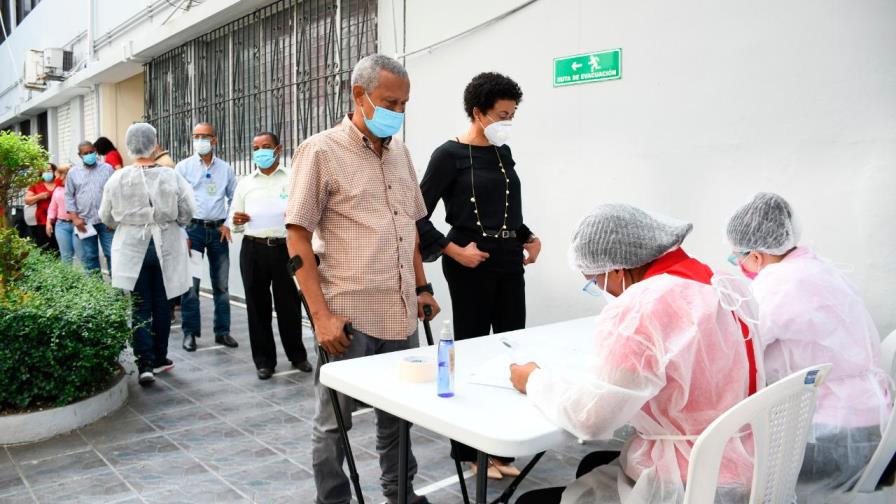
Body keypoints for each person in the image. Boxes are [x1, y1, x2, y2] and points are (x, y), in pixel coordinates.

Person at [512, 204, 754, 504]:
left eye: (594, 281)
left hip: (689, 482)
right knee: (594, 464)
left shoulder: (643, 306)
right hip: (741, 460)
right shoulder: (720, 282)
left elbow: (591, 419)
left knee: (530, 501)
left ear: (616, 268)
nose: (601, 291)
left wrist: (533, 380)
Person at [286, 53, 439, 504]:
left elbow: (407, 225)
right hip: (348, 317)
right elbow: (297, 237)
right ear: (360, 95)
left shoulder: (401, 154)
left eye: (404, 103)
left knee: (399, 416)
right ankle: (332, 500)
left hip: (400, 313)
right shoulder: (321, 151)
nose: (399, 111)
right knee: (334, 422)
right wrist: (320, 317)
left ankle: (400, 494)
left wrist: (422, 286)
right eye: (391, 101)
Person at [726, 192, 890, 499]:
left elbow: (743, 349)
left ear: (756, 256)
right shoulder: (819, 268)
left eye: (737, 258)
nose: (739, 266)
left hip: (829, 436)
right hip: (870, 423)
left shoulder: (777, 283)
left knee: (730, 474)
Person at [416, 71, 540, 479]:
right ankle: (468, 451)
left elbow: (506, 208)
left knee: (509, 346)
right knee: (470, 350)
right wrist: (453, 250)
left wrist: (528, 236)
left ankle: (499, 444)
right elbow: (419, 214)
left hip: (508, 258)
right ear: (478, 112)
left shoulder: (502, 152)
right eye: (502, 114)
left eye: (512, 114)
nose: (509, 121)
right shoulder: (448, 155)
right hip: (469, 259)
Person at [100, 123, 196, 386]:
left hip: (133, 248)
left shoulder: (117, 178)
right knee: (163, 304)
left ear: (130, 146)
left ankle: (144, 364)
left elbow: (105, 216)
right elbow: (188, 210)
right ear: (155, 145)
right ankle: (160, 358)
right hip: (166, 245)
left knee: (140, 305)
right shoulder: (170, 176)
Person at [226, 131, 311, 380]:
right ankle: (264, 361)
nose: (260, 152)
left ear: (278, 149)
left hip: (286, 248)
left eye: (266, 146)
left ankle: (297, 356)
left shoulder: (293, 178)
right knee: (257, 306)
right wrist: (237, 221)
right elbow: (235, 222)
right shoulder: (245, 183)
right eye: (256, 147)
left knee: (290, 306)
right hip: (253, 249)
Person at [176, 122, 238, 352]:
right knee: (191, 285)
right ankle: (190, 333)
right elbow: (176, 201)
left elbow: (235, 197)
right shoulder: (183, 168)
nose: (200, 140)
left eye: (205, 136)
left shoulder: (226, 169)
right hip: (192, 231)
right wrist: (182, 231)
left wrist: (228, 224)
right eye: (196, 136)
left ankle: (222, 332)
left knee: (221, 285)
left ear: (214, 140)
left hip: (217, 231)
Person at [65, 140, 115, 273]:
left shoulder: (108, 169)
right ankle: (96, 291)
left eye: (91, 152)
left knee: (112, 255)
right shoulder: (73, 173)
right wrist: (75, 219)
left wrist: (113, 218)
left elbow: (115, 194)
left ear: (95, 151)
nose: (89, 155)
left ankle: (116, 292)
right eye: (85, 153)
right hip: (85, 222)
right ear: (80, 155)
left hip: (106, 222)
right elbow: (69, 196)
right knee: (90, 257)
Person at [46, 164, 78, 262]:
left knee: (84, 255)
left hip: (78, 224)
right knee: (66, 256)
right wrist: (48, 222)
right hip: (61, 225)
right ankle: (67, 277)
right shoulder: (58, 189)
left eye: (58, 175)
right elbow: (52, 207)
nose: (56, 178)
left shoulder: (78, 188)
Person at [24, 163, 59, 251]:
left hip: (60, 221)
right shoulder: (36, 185)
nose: (47, 173)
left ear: (54, 171)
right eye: (44, 171)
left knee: (59, 249)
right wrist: (39, 196)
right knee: (45, 248)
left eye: (49, 170)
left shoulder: (59, 183)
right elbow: (27, 200)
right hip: (42, 221)